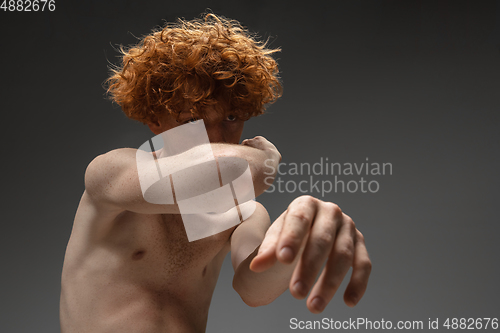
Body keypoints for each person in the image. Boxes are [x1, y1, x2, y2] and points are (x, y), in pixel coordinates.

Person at [59, 13, 371, 333]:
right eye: (191, 119)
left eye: (231, 117)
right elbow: (247, 171)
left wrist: (294, 244)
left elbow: (255, 289)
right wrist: (265, 159)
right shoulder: (111, 174)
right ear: (155, 119)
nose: (216, 137)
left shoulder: (241, 213)